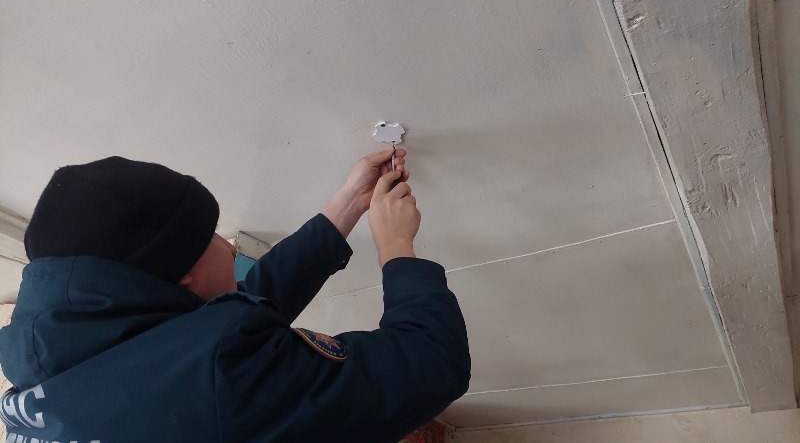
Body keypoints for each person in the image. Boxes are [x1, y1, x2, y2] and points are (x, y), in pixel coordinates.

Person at [0, 149, 471, 442]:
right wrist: (396, 247)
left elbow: (218, 323)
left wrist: (349, 202)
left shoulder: (55, 345)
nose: (228, 246)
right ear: (183, 277)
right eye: (210, 237)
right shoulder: (224, 386)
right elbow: (431, 364)